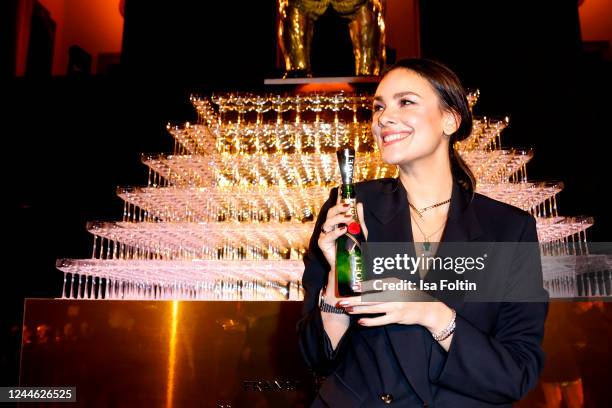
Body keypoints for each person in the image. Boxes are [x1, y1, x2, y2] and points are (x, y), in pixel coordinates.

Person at [297, 58, 549, 407]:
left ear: (451, 119)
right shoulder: (352, 205)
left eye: (406, 102)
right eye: (379, 107)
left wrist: (431, 313)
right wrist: (340, 275)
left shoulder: (508, 228)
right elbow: (318, 359)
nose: (383, 118)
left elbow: (516, 374)